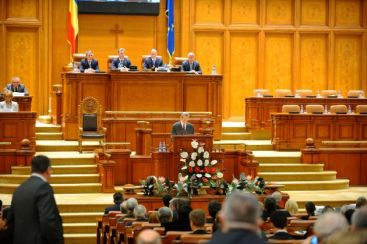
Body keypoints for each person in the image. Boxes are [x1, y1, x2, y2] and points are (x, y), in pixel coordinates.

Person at [11, 155, 64, 244]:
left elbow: (12, 218)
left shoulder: (19, 188)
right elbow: (47, 221)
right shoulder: (43, 187)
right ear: (48, 169)